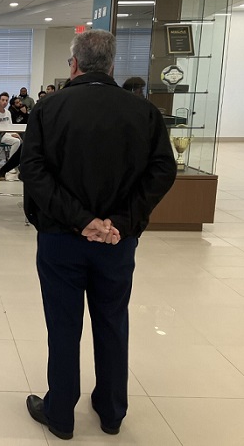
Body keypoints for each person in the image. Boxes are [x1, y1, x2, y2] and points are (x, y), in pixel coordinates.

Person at [21, 29, 176, 440]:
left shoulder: (48, 108)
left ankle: (60, 415)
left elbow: (33, 171)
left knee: (63, 325)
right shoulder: (142, 112)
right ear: (111, 66)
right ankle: (111, 412)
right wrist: (119, 223)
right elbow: (163, 171)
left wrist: (79, 220)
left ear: (74, 64)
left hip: (59, 239)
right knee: (112, 321)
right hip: (116, 241)